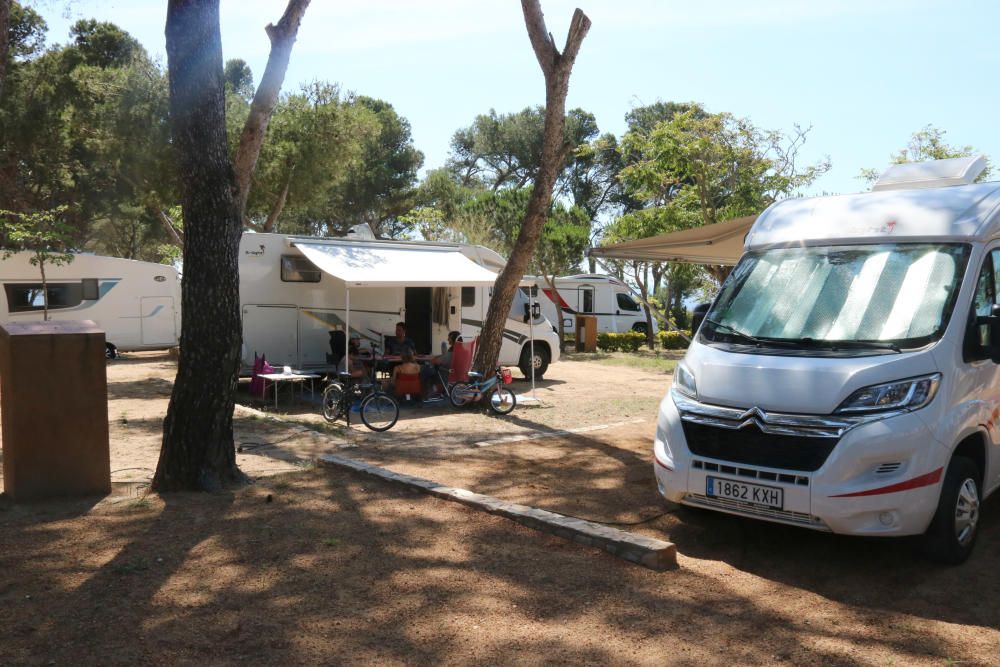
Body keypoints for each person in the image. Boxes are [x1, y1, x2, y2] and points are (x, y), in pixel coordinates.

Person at [421, 331, 461, 397]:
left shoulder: (451, 354)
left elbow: (436, 361)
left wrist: (432, 360)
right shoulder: (463, 351)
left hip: (445, 373)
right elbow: (444, 358)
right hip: (455, 374)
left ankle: (425, 393)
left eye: (449, 338)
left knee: (425, 369)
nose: (448, 339)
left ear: (454, 340)